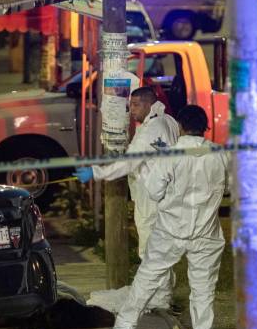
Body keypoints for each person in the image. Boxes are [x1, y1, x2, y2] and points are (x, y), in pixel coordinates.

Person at [110, 105, 229, 329]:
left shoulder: (171, 155)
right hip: (206, 232)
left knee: (147, 279)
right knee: (203, 289)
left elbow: (154, 192)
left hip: (170, 230)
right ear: (205, 127)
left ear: (181, 127)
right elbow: (230, 187)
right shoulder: (220, 154)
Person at [74, 86, 180, 310]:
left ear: (149, 104)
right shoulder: (167, 121)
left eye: (136, 105)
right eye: (130, 104)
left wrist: (96, 173)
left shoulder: (152, 129)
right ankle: (162, 293)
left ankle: (159, 297)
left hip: (152, 198)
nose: (131, 110)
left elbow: (130, 162)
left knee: (150, 248)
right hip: (163, 196)